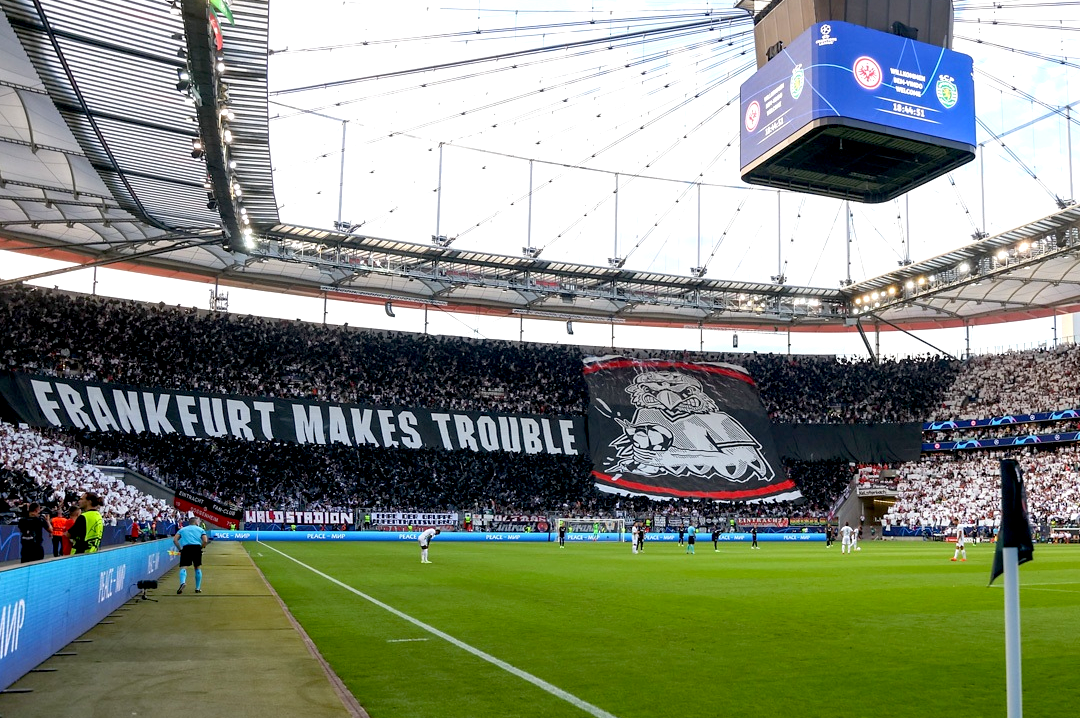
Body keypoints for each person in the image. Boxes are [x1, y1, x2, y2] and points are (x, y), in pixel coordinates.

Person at [173, 517, 208, 594]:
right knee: (197, 567)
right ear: (196, 522)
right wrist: (201, 547)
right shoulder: (200, 529)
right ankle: (197, 588)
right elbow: (205, 540)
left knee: (184, 566)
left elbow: (175, 540)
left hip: (186, 548)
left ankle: (182, 582)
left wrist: (180, 549)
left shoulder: (183, 529)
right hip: (196, 548)